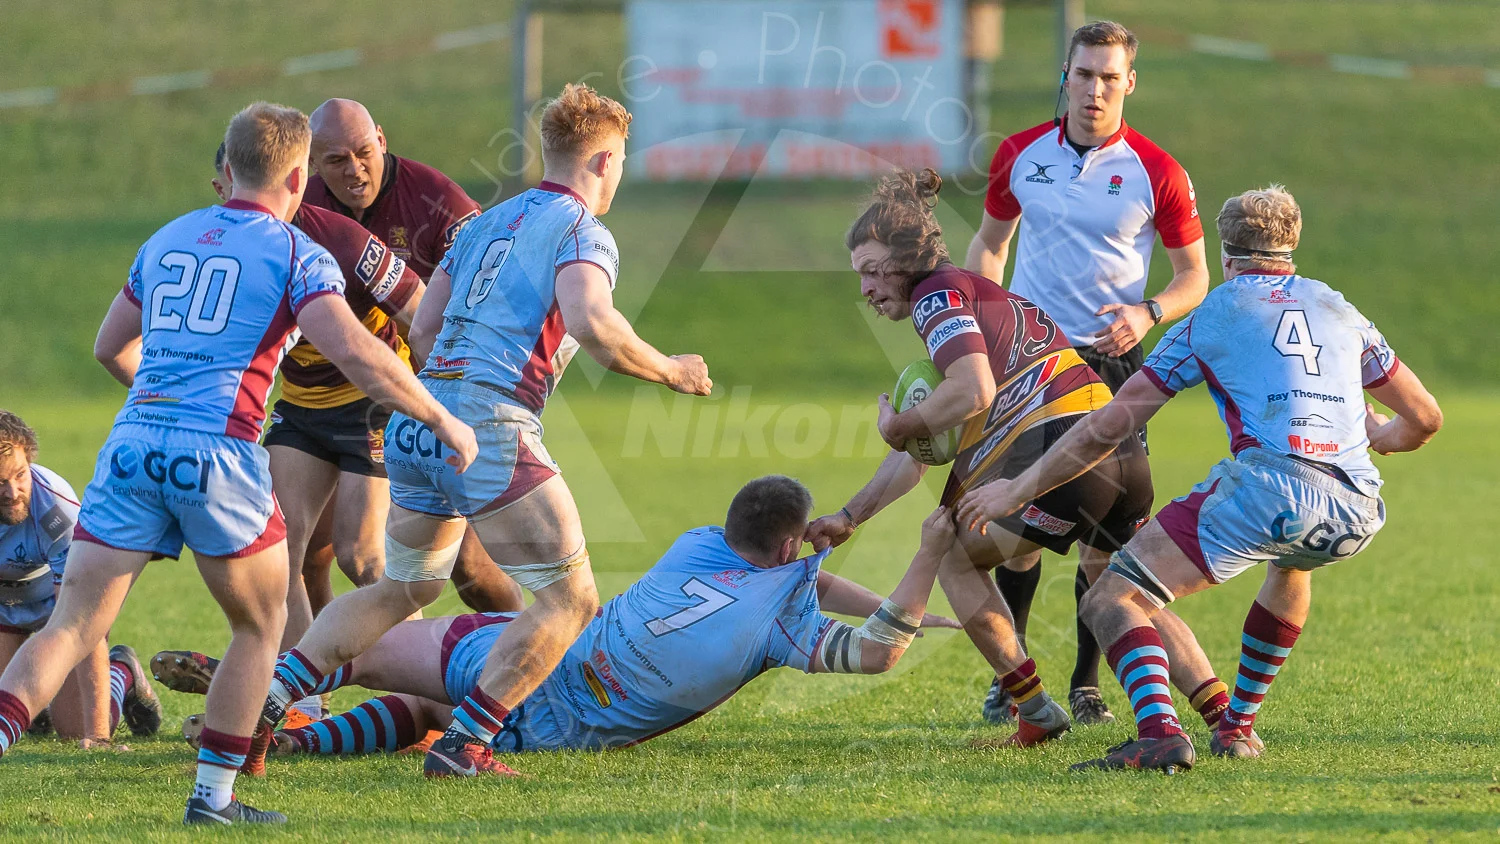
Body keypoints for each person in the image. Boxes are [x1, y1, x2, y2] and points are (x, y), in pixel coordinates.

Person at [0, 102, 477, 826]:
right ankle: (213, 800)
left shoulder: (167, 238)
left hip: (131, 443)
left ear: (228, 170)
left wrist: (166, 403)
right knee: (261, 625)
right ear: (297, 176)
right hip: (218, 456)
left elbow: (109, 348)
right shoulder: (297, 252)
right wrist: (441, 415)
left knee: (69, 626)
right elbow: (354, 351)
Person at [247, 83, 712, 780]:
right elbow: (593, 323)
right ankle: (465, 745)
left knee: (404, 588)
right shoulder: (583, 230)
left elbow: (426, 329)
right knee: (571, 599)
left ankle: (271, 699)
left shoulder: (487, 222)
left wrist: (451, 395)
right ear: (604, 161)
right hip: (490, 427)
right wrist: (673, 370)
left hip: (419, 422)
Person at [956, 185, 1442, 772]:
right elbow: (1426, 418)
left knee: (1113, 594)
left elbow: (1105, 428)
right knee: (1291, 563)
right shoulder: (1337, 306)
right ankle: (1234, 726)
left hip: (1270, 485)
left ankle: (1160, 733)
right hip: (1356, 507)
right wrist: (1379, 436)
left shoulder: (1216, 311)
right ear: (1292, 246)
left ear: (1227, 253)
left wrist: (1016, 487)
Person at [159, 477, 961, 762]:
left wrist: (809, 564)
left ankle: (267, 708)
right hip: (555, 721)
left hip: (530, 645)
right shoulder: (784, 621)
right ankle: (297, 738)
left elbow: (800, 579)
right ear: (793, 547)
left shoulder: (696, 544)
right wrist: (922, 570)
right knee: (438, 722)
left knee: (362, 654)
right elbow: (872, 651)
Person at [964, 21, 1210, 726]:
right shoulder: (1018, 154)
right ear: (1064, 77)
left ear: (1129, 83)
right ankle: (1013, 679)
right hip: (1035, 365)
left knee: (1108, 534)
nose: (1095, 89)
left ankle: (1084, 680)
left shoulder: (1157, 171)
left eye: (1109, 77)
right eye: (1084, 74)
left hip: (1113, 365)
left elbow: (1195, 275)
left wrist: (1150, 311)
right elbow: (989, 244)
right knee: (1020, 526)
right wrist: (992, 318)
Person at [211, 143, 473, 729]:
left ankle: (424, 693)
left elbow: (420, 311)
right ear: (220, 187)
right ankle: (299, 705)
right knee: (284, 553)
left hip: (370, 405)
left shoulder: (344, 240)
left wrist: (442, 401)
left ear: (292, 184)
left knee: (363, 556)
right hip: (301, 407)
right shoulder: (222, 243)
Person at [301, 98, 522, 618]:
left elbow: (499, 292)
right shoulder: (304, 203)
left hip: (445, 394)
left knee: (468, 567)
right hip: (349, 395)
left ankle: (533, 658)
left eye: (362, 152)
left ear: (381, 138)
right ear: (313, 163)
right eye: (336, 161)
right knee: (310, 551)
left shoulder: (437, 201)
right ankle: (307, 685)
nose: (354, 171)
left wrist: (468, 399)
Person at [0, 411, 161, 748]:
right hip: (4, 611)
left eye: (20, 475)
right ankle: (38, 708)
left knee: (75, 731)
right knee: (11, 711)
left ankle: (122, 673)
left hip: (52, 609)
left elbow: (79, 620)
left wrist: (97, 735)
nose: (12, 492)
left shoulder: (57, 509)